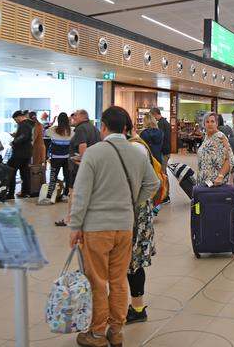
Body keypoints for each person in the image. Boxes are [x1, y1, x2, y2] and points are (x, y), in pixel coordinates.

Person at [69, 106, 159, 347]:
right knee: (119, 279)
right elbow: (154, 183)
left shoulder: (94, 153)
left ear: (104, 127)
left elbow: (81, 193)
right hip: (124, 226)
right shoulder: (137, 153)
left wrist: (75, 226)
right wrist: (133, 202)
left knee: (98, 280)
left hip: (97, 228)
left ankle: (97, 333)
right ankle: (116, 331)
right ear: (125, 127)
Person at [122, 109, 157, 326]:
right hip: (138, 210)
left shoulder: (133, 148)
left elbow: (149, 183)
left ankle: (137, 307)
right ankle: (136, 305)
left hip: (134, 212)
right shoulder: (138, 145)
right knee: (132, 262)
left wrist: (135, 201)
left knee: (132, 262)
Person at [56, 109, 101, 227]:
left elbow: (82, 146)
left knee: (73, 193)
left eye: (75, 115)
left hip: (80, 167)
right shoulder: (94, 129)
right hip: (93, 166)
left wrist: (83, 162)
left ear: (82, 116)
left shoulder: (81, 129)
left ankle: (70, 219)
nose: (73, 118)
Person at [197, 112, 234, 186]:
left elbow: (230, 159)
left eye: (212, 121)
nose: (210, 124)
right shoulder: (206, 137)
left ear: (217, 124)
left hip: (215, 183)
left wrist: (221, 176)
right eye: (207, 122)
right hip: (204, 181)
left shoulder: (220, 137)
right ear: (204, 124)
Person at [45, 112, 72, 202]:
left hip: (56, 157)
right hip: (67, 157)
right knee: (67, 177)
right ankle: (65, 195)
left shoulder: (53, 130)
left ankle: (49, 196)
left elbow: (45, 132)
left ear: (58, 120)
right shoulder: (71, 131)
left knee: (53, 176)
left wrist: (51, 123)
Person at [8, 110, 34, 198]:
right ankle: (26, 192)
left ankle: (10, 193)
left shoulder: (23, 125)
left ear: (19, 117)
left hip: (19, 153)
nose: (16, 121)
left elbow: (24, 136)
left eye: (15, 119)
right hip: (26, 153)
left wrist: (14, 141)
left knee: (11, 172)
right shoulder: (29, 124)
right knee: (25, 173)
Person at [150, 108, 171, 198]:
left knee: (163, 173)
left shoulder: (161, 124)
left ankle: (165, 195)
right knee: (163, 172)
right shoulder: (165, 122)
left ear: (155, 114)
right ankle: (165, 194)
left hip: (163, 151)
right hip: (166, 150)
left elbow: (160, 139)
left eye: (152, 116)